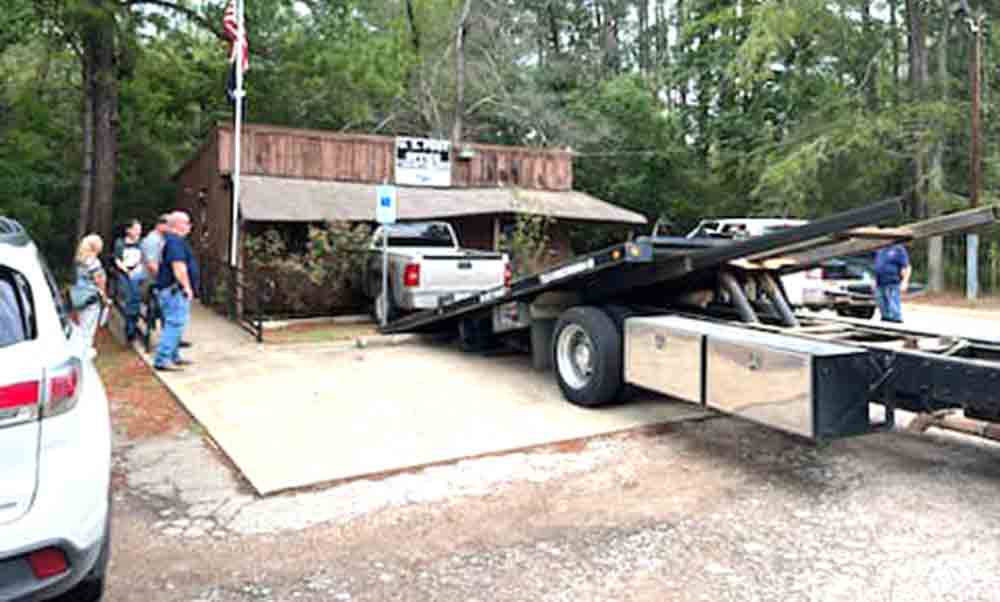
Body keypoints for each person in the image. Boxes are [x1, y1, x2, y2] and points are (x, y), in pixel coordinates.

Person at [153, 212, 196, 371]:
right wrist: (187, 287)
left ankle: (173, 356)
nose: (189, 226)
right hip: (174, 291)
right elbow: (179, 268)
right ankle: (162, 359)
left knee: (175, 324)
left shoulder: (173, 241)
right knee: (174, 324)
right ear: (177, 225)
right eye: (187, 222)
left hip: (171, 290)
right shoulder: (175, 242)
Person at [70, 234, 109, 351]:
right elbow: (99, 281)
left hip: (80, 297)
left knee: (82, 325)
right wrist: (105, 297)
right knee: (88, 329)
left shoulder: (80, 259)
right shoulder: (94, 262)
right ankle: (84, 353)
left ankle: (79, 348)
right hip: (91, 298)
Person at [114, 219, 145, 342]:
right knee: (128, 298)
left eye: (139, 228)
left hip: (138, 273)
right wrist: (126, 270)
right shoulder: (120, 243)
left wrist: (136, 269)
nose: (138, 231)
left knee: (136, 297)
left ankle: (133, 324)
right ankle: (130, 326)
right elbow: (117, 259)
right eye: (136, 228)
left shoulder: (142, 243)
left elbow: (144, 258)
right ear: (128, 230)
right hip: (125, 273)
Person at [874, 243, 911, 323]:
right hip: (880, 283)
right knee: (882, 306)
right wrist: (875, 281)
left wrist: (905, 281)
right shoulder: (880, 250)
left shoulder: (898, 249)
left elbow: (906, 266)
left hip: (893, 282)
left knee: (894, 307)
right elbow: (877, 266)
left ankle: (896, 321)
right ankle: (886, 321)